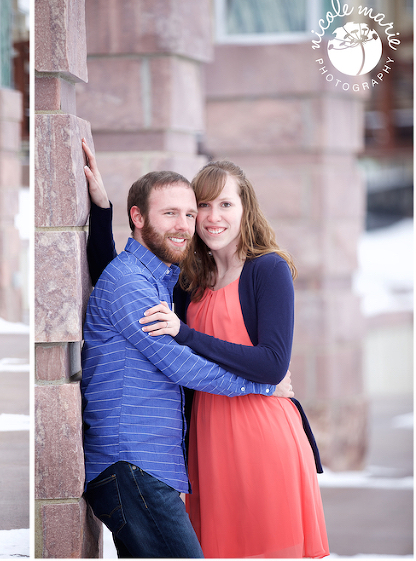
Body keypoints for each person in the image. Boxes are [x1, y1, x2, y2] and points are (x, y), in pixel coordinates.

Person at [84, 139, 329, 558]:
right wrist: (104, 210)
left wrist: (186, 333)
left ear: (245, 209)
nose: (211, 218)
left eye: (225, 205)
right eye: (203, 209)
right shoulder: (187, 277)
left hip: (259, 427)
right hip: (206, 437)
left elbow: (272, 365)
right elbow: (118, 280)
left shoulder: (267, 269)